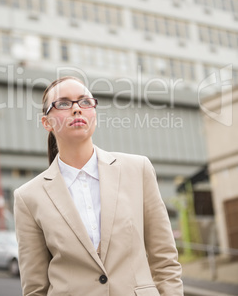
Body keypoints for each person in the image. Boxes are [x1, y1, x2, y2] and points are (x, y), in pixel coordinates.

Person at [14, 76, 183, 296]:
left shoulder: (137, 169)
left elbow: (165, 261)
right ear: (46, 122)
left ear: (94, 113)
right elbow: (35, 288)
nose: (77, 109)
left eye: (85, 102)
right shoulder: (28, 197)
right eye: (63, 103)